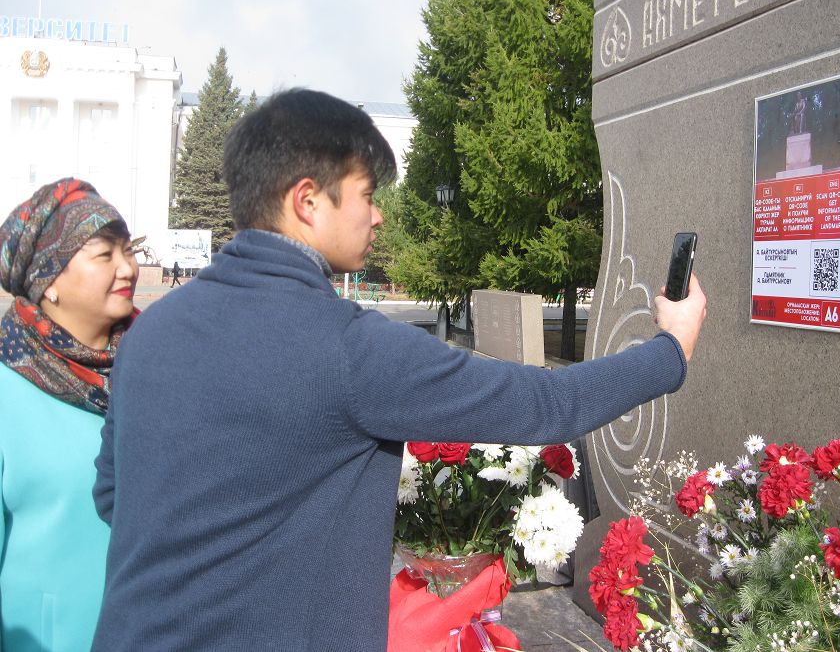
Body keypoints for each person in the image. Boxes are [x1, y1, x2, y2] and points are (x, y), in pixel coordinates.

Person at [92, 89, 707, 651]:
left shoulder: (149, 333)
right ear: (307, 201)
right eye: (366, 195)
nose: (378, 216)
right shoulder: (347, 348)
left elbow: (114, 495)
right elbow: (546, 405)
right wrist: (669, 349)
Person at [0, 178, 138, 651]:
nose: (127, 267)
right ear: (50, 280)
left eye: (128, 249)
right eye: (105, 254)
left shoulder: (159, 369)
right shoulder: (7, 390)